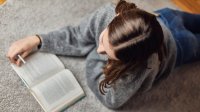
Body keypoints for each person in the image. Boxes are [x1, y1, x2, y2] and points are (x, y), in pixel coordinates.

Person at [6, 0, 200, 109]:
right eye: (102, 41)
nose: (98, 50)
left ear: (131, 62)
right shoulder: (108, 13)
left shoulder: (140, 67)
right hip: (165, 16)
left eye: (107, 54)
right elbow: (78, 36)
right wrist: (38, 39)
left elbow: (112, 100)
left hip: (182, 46)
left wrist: (92, 58)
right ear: (116, 18)